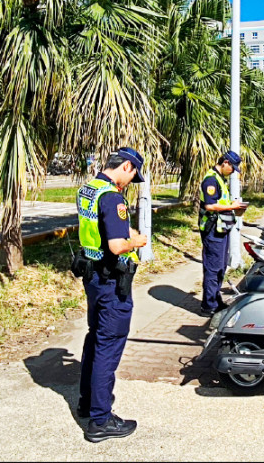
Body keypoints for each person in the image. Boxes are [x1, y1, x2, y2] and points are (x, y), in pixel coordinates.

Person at [76, 147, 148, 443]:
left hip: (93, 276)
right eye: (133, 175)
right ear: (127, 167)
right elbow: (118, 245)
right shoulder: (112, 196)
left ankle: (87, 402)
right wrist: (138, 241)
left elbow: (99, 227)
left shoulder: (89, 189)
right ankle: (101, 420)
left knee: (95, 337)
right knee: (109, 345)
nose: (131, 182)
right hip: (110, 281)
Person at [198, 150, 246, 317]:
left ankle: (215, 299)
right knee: (213, 267)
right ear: (225, 162)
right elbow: (210, 206)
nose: (233, 171)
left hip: (220, 229)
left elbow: (220, 202)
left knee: (221, 266)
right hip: (212, 230)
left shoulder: (220, 179)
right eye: (232, 167)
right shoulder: (211, 179)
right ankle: (209, 305)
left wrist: (232, 204)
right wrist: (232, 207)